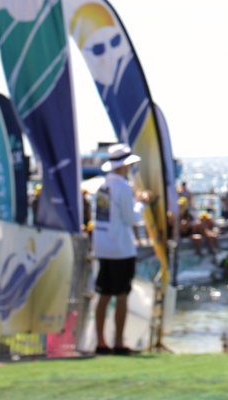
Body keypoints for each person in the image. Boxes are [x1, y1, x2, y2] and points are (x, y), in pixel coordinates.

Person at [91, 143, 150, 356]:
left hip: (103, 246)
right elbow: (131, 218)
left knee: (103, 295)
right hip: (121, 248)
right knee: (122, 295)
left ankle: (101, 342)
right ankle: (118, 342)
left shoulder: (102, 186)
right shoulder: (122, 187)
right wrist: (142, 203)